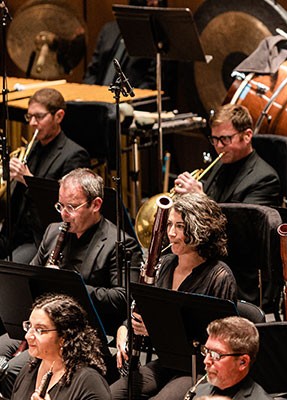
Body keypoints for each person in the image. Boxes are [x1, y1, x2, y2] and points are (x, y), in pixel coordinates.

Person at [0, 168, 142, 398]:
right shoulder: (52, 232)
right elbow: (31, 278)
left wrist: (68, 284)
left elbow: (124, 299)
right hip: (43, 326)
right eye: (60, 206)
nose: (63, 215)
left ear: (95, 204)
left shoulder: (119, 244)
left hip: (82, 335)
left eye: (71, 207)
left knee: (14, 370)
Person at [111, 192, 237, 400]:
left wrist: (157, 329)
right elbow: (145, 309)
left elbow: (220, 342)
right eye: (169, 224)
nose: (170, 233)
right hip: (166, 362)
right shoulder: (165, 264)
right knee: (110, 395)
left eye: (180, 226)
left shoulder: (219, 276)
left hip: (199, 368)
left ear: (200, 229)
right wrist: (125, 327)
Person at [0, 88, 90, 263]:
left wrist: (28, 180)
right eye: (29, 117)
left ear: (59, 116)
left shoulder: (75, 155)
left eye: (39, 117)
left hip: (41, 237)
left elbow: (65, 207)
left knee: (7, 270)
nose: (32, 123)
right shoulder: (31, 149)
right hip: (12, 232)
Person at [174, 104, 281, 206]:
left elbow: (241, 223)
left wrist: (200, 198)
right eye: (214, 139)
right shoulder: (222, 162)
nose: (219, 146)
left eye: (225, 138)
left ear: (247, 136)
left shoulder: (265, 180)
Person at [10, 293, 111, 400]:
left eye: (39, 330)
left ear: (63, 337)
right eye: (29, 326)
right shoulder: (29, 369)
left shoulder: (89, 382)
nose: (28, 336)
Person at [83, 0, 177, 108]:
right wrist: (87, 98)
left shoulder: (161, 38)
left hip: (131, 106)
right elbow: (92, 73)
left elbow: (153, 83)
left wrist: (125, 100)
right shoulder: (109, 30)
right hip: (98, 103)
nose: (154, 3)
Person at [192, 316, 272, 400]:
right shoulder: (198, 391)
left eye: (216, 355)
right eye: (206, 350)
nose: (206, 361)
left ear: (242, 362)